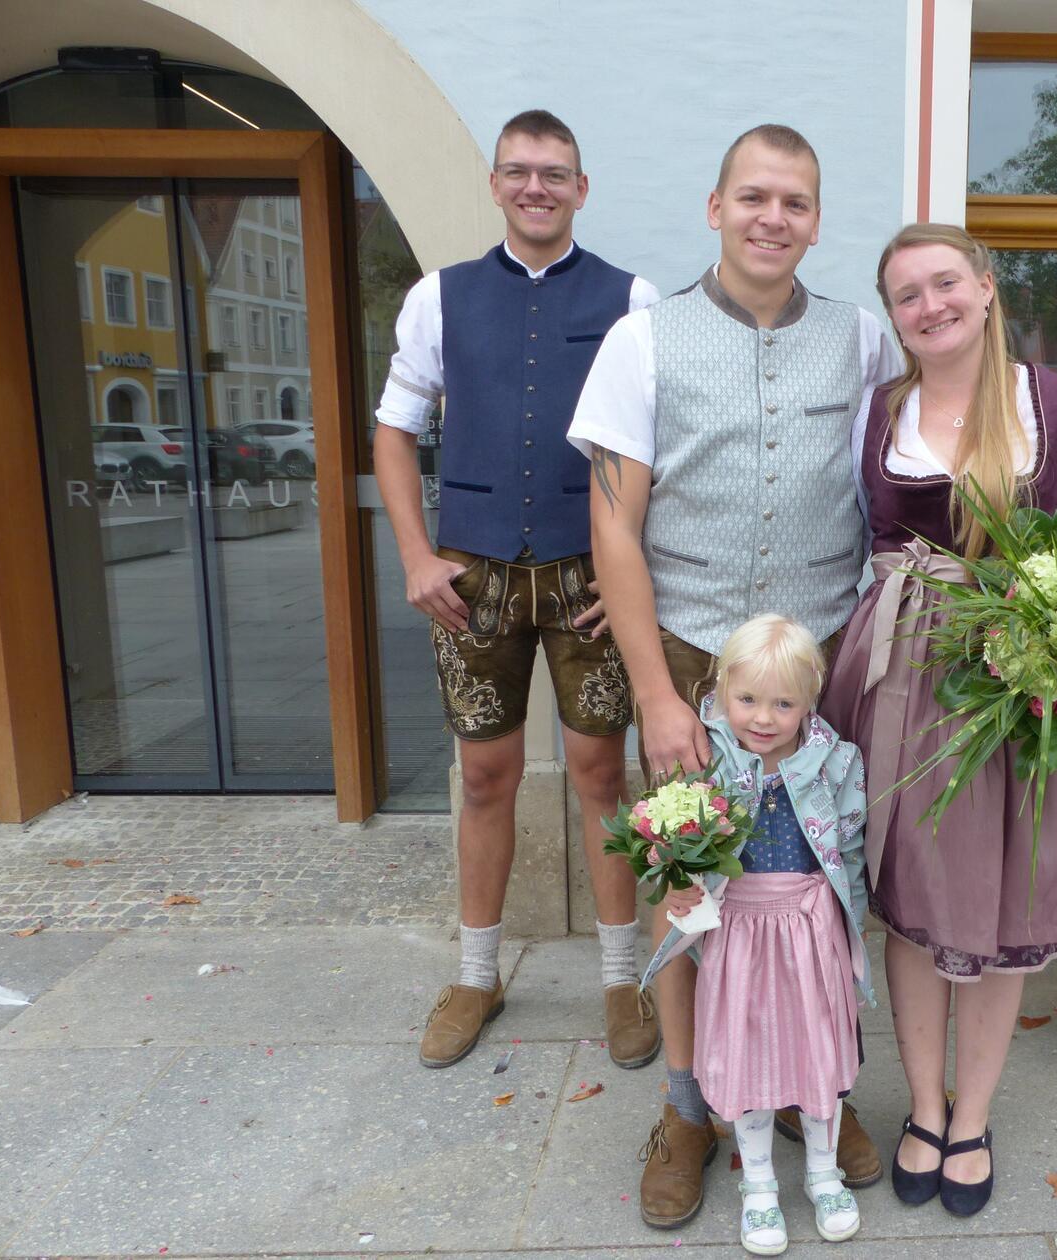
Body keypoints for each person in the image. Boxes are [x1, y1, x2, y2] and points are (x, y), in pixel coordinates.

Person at [570, 123, 901, 1228]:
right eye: (753, 197)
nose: (773, 218)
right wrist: (661, 696)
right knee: (690, 894)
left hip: (819, 660)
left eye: (795, 202)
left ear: (816, 220)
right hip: (691, 653)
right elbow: (614, 527)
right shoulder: (644, 341)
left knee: (817, 887)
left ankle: (817, 1093)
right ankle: (687, 1108)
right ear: (715, 207)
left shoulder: (862, 344)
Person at [818, 222, 1057, 1217]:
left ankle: (973, 1115)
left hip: (1025, 680)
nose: (929, 305)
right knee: (911, 900)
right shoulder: (878, 413)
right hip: (901, 672)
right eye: (907, 295)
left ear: (988, 289)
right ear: (894, 318)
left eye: (946, 283)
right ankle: (924, 1106)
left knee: (1001, 903)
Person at [375, 109, 661, 1072]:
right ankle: (476, 973)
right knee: (487, 777)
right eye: (519, 173)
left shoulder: (635, 297)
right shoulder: (438, 298)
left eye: (556, 174)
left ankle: (623, 979)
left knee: (602, 775)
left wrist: (636, 566)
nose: (537, 187)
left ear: (583, 187)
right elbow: (394, 433)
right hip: (473, 577)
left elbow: (662, 444)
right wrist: (418, 555)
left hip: (591, 577)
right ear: (496, 185)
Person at [639, 614, 872, 1254]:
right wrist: (679, 879)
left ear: (809, 701)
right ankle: (761, 1185)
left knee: (818, 1048)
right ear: (720, 690)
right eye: (747, 699)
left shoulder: (835, 761)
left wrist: (849, 929)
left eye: (783, 703)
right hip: (740, 928)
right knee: (748, 1050)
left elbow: (850, 852)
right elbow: (670, 842)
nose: (762, 718)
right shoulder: (706, 761)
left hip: (807, 925)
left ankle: (824, 1175)